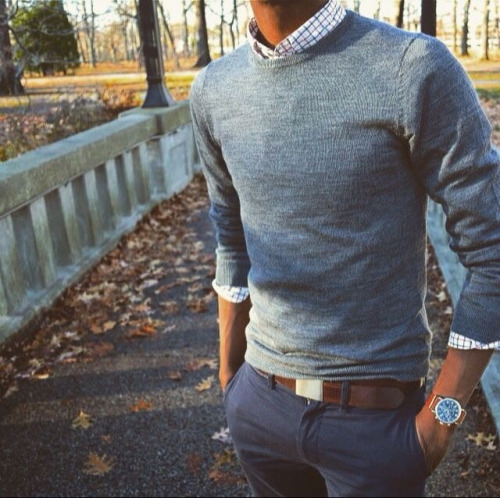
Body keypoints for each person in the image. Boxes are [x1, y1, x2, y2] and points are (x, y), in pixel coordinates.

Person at [189, 1, 500, 496]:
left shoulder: (412, 68)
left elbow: (493, 250)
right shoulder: (213, 89)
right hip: (259, 410)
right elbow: (231, 237)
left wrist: (441, 420)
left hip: (376, 428)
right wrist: (231, 380)